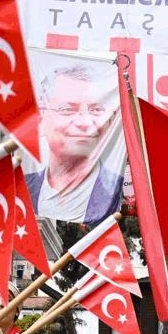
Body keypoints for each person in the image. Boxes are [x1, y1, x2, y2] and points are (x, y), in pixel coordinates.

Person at [24, 65, 123, 222]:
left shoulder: (111, 191)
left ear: (111, 119)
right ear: (41, 118)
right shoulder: (23, 189)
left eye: (96, 110)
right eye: (67, 110)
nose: (84, 122)